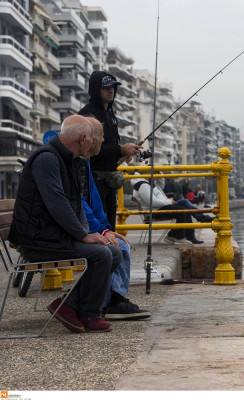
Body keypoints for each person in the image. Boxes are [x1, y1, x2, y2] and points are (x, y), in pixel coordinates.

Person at [9, 115, 121, 333]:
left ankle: (69, 305)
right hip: (38, 241)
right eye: (91, 139)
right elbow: (56, 202)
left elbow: (74, 204)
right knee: (102, 254)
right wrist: (83, 235)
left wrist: (94, 233)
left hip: (52, 235)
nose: (92, 143)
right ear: (82, 138)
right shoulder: (47, 159)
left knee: (112, 252)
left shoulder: (66, 160)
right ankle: (89, 313)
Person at [82, 117, 150, 320]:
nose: (103, 141)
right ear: (88, 139)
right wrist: (97, 231)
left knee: (119, 243)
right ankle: (102, 304)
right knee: (114, 249)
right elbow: (76, 205)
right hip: (64, 234)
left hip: (85, 226)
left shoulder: (83, 164)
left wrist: (105, 228)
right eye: (101, 137)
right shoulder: (72, 164)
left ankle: (113, 300)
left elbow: (94, 204)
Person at [78, 71, 141, 231]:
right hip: (94, 180)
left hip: (110, 180)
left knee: (110, 227)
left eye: (113, 87)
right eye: (105, 87)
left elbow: (111, 146)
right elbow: (91, 149)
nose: (111, 90)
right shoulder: (87, 114)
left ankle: (112, 254)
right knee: (99, 226)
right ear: (95, 90)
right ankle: (101, 255)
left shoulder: (111, 114)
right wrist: (120, 149)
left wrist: (124, 153)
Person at [131, 175, 203, 245]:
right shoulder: (143, 185)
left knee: (185, 206)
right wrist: (169, 201)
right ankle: (177, 236)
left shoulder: (151, 183)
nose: (157, 175)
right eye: (156, 173)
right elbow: (152, 202)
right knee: (182, 211)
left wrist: (159, 172)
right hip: (154, 211)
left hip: (161, 206)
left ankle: (189, 236)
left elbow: (162, 184)